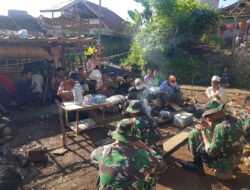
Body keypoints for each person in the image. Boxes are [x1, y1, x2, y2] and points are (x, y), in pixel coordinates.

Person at [91, 119, 166, 190]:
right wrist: (146, 147)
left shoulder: (101, 150)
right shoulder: (143, 155)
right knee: (152, 176)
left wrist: (111, 145)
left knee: (101, 168)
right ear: (135, 138)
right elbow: (162, 166)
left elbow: (93, 157)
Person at [179, 101, 245, 180]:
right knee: (205, 134)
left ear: (216, 114)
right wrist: (208, 125)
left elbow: (211, 151)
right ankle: (232, 166)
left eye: (208, 116)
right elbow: (224, 135)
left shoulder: (220, 127)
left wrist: (203, 131)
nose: (207, 118)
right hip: (236, 157)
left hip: (224, 160)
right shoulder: (236, 120)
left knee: (194, 134)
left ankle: (197, 165)